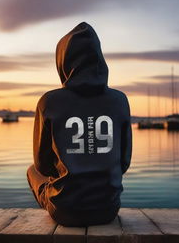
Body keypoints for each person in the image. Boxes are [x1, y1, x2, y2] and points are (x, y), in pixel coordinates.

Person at [27, 22, 132, 227]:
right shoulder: (120, 100)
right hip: (108, 210)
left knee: (32, 170)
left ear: (63, 61)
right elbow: (124, 163)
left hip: (65, 212)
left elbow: (43, 166)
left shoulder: (49, 102)